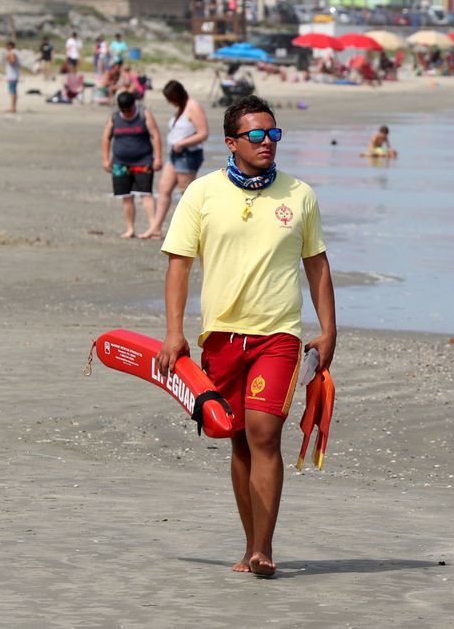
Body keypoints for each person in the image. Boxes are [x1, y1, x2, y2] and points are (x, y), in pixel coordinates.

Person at [156, 95, 336, 579]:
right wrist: (174, 332)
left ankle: (263, 549)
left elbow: (316, 263)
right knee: (237, 440)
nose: (267, 143)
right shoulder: (202, 194)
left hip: (278, 334)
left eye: (273, 134)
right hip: (221, 338)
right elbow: (179, 265)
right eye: (256, 135)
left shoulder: (299, 195)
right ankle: (248, 542)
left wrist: (328, 329)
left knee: (265, 435)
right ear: (232, 142)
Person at [140, 80, 209, 240]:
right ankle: (155, 228)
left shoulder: (193, 107)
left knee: (187, 193)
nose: (169, 102)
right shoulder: (181, 108)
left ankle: (195, 230)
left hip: (188, 155)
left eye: (170, 98)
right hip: (174, 155)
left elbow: (203, 133)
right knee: (163, 189)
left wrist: (182, 143)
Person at [102, 91, 162, 238]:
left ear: (134, 105)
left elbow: (155, 135)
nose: (127, 113)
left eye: (129, 109)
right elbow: (106, 138)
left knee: (146, 194)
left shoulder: (143, 114)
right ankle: (130, 229)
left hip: (143, 160)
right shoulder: (114, 117)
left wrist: (158, 157)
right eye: (124, 110)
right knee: (126, 196)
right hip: (120, 162)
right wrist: (106, 159)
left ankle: (154, 228)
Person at [3, 41, 19, 113]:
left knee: (12, 92)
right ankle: (13, 107)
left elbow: (12, 61)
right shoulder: (15, 52)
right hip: (14, 75)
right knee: (14, 91)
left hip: (12, 75)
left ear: (10, 46)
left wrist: (7, 58)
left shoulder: (12, 53)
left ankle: (12, 107)